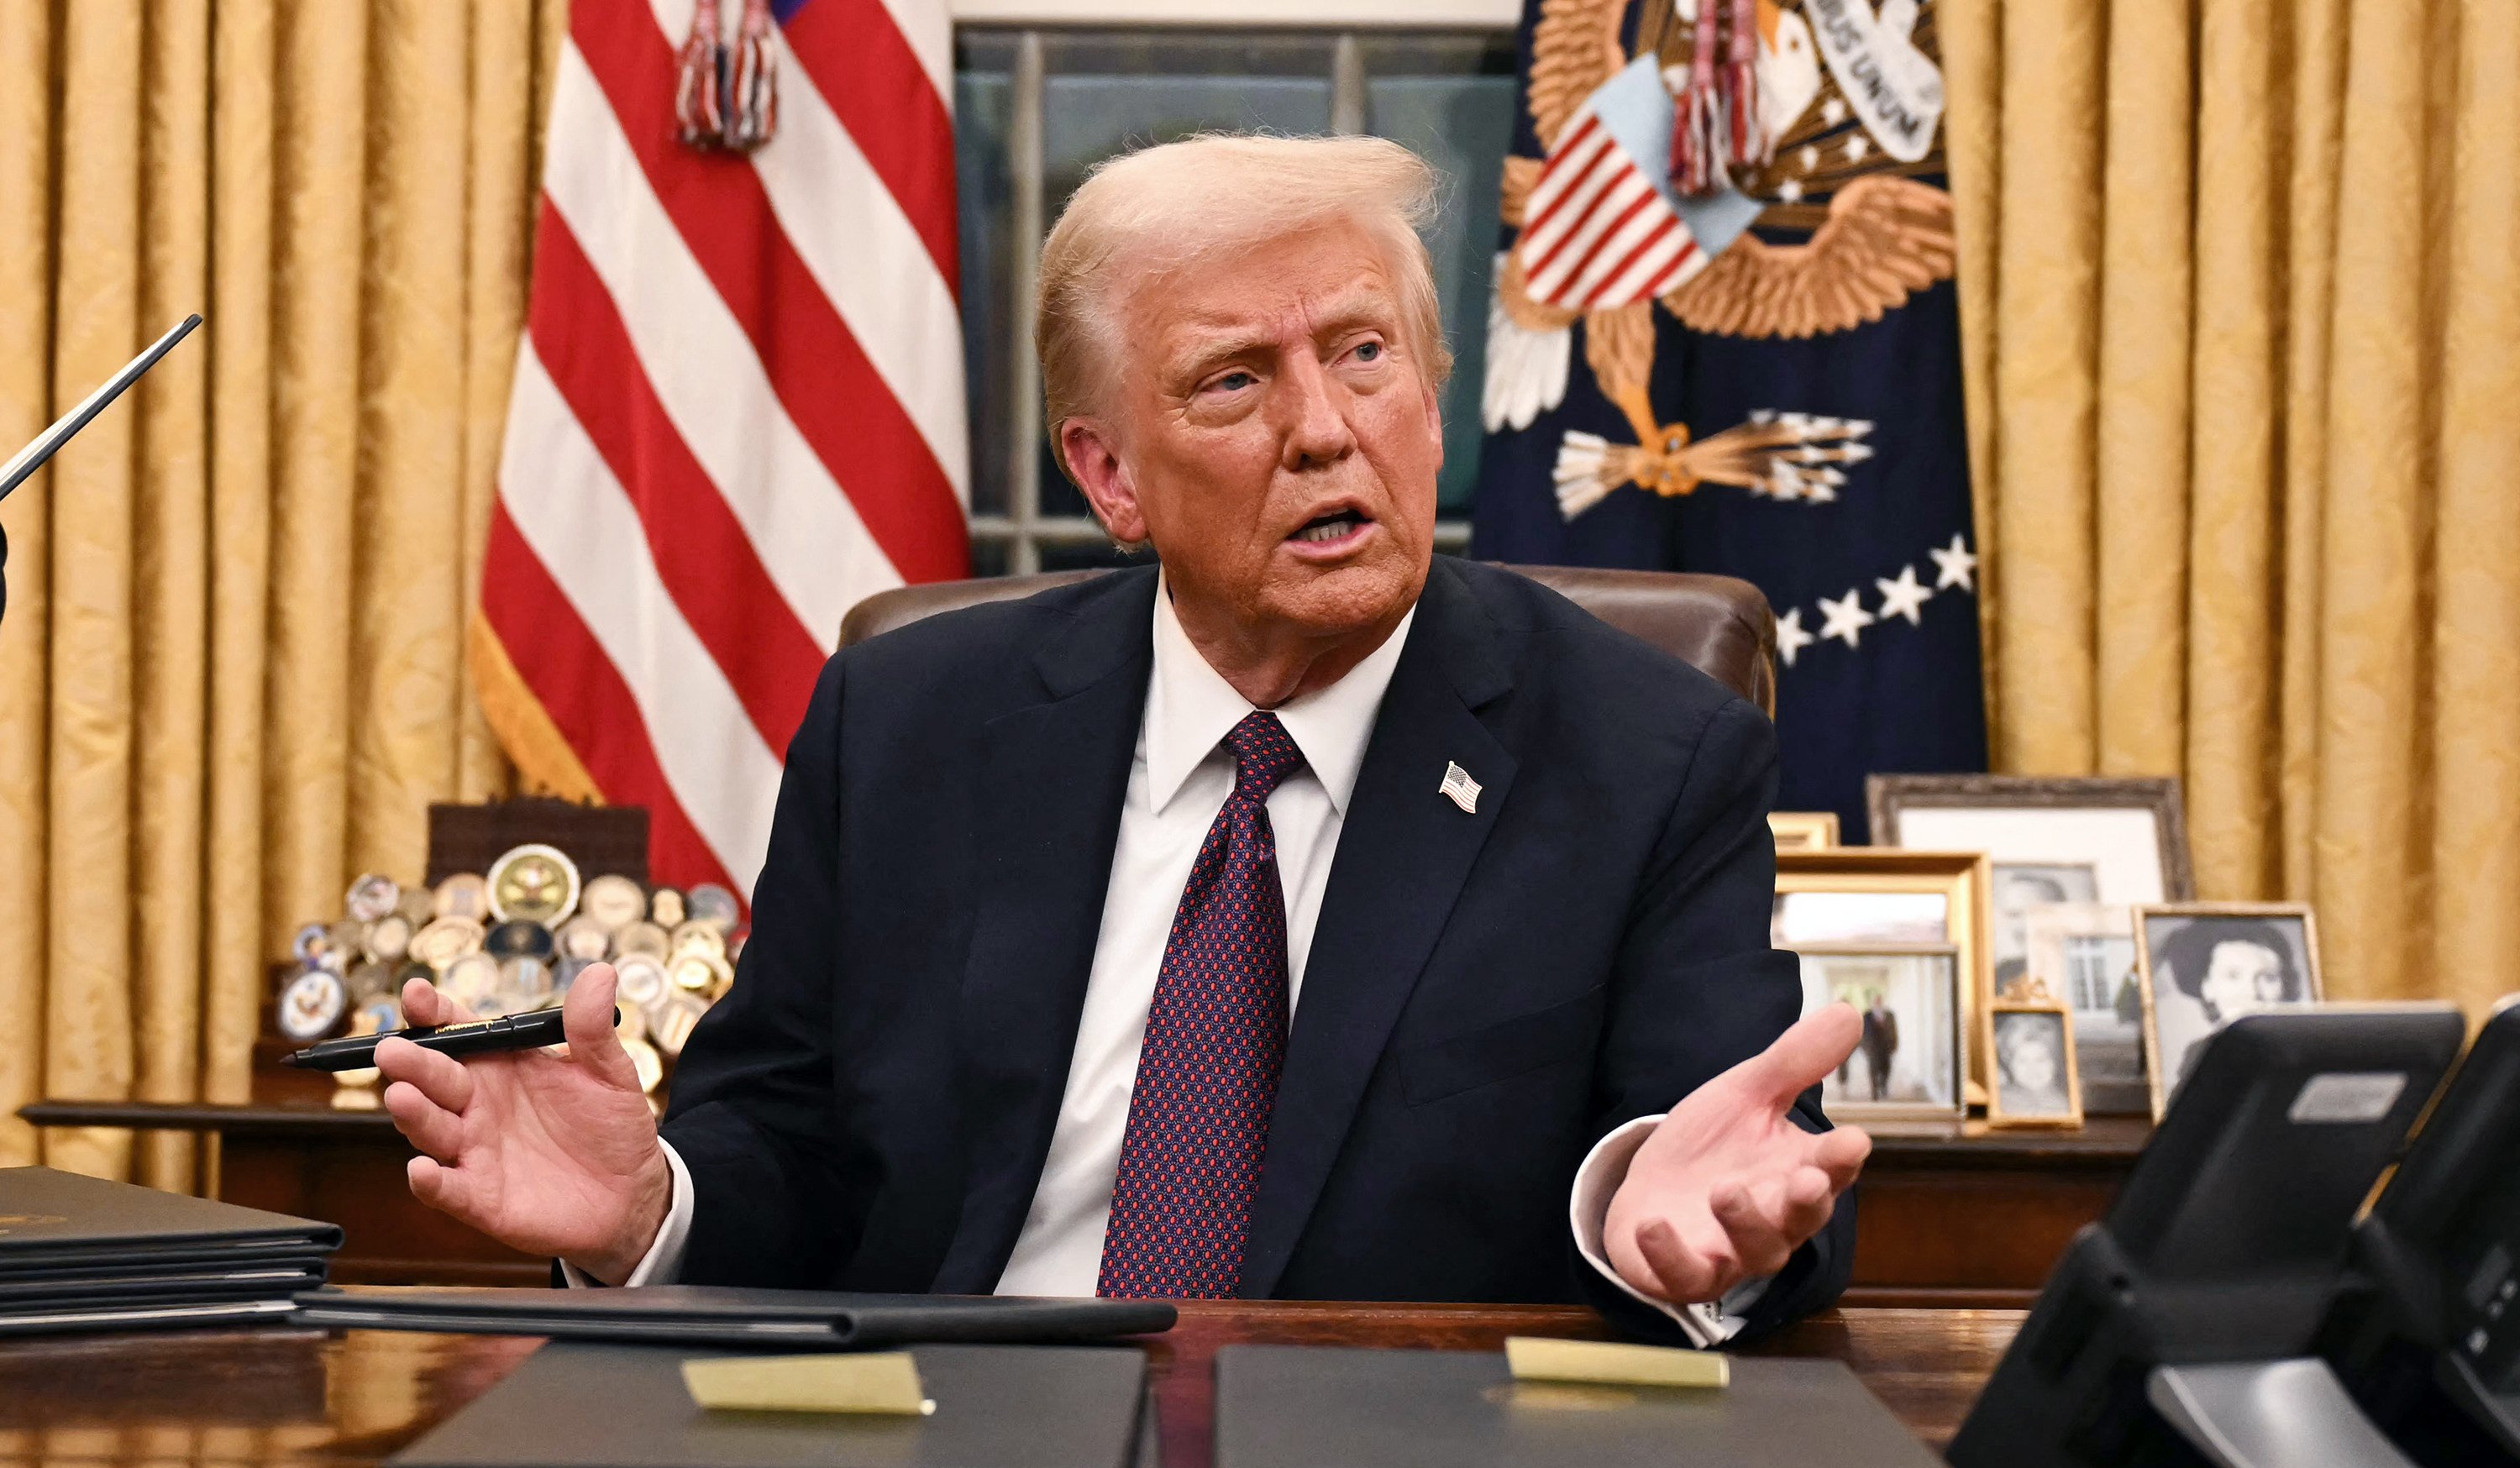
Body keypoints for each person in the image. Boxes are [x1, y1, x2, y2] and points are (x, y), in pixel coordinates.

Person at [372, 134, 1869, 1345]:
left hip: (1386, 1454)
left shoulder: (1642, 749)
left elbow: (1732, 1157)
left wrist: (1661, 1219)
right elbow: (793, 1141)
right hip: (957, 1442)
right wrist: (651, 1216)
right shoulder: (914, 721)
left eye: (1363, 355)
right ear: (1109, 477)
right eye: (1236, 380)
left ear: (1432, 399)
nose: (1325, 430)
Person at [2152, 918, 2302, 1092]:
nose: (2252, 992)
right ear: (2207, 986)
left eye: (2268, 978)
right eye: (2233, 976)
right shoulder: (2202, 1055)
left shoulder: (2301, 1050)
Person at [1992, 1014, 2070, 1119]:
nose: (2032, 1068)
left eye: (2041, 1059)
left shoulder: (2067, 1103)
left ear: (2055, 1060)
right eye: (2022, 1061)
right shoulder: (2001, 1102)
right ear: (2009, 1063)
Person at [1860, 994, 1899, 1099]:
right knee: (1873, 1069)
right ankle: (1874, 1091)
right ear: (1872, 1002)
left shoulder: (1889, 1015)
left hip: (1886, 1046)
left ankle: (1883, 1085)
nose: (1877, 1002)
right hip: (1872, 1047)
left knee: (1886, 1069)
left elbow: (1894, 1030)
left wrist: (1895, 1044)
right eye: (1875, 1000)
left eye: (1879, 1000)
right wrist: (1864, 1047)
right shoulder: (1867, 1015)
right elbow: (1862, 1033)